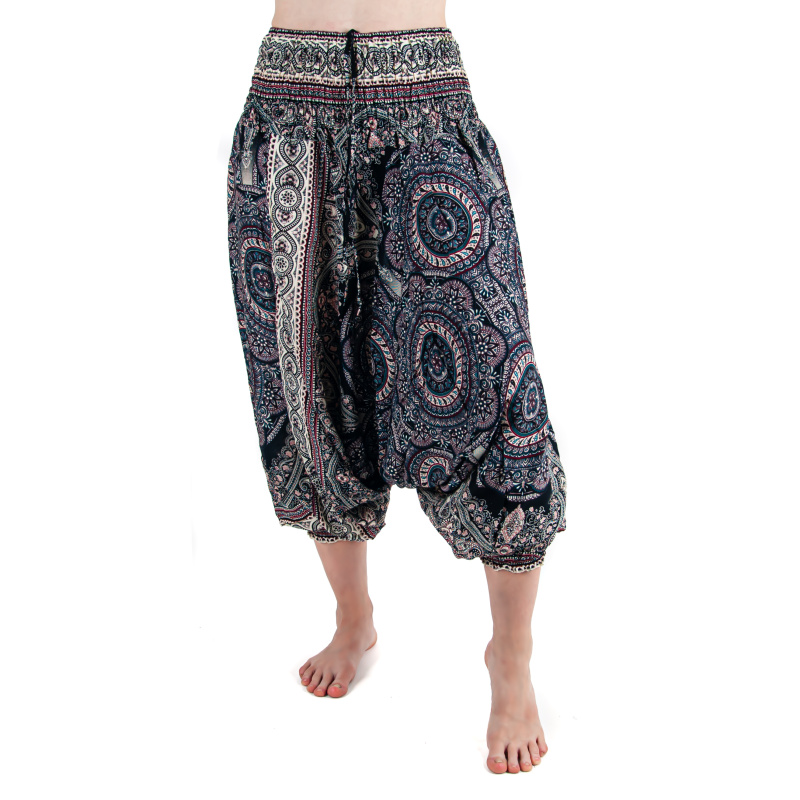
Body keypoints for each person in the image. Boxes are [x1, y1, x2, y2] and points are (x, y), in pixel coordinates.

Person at [225, 0, 568, 775]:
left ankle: (511, 656)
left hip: (428, 114)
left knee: (502, 397)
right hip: (287, 118)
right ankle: (354, 619)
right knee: (309, 395)